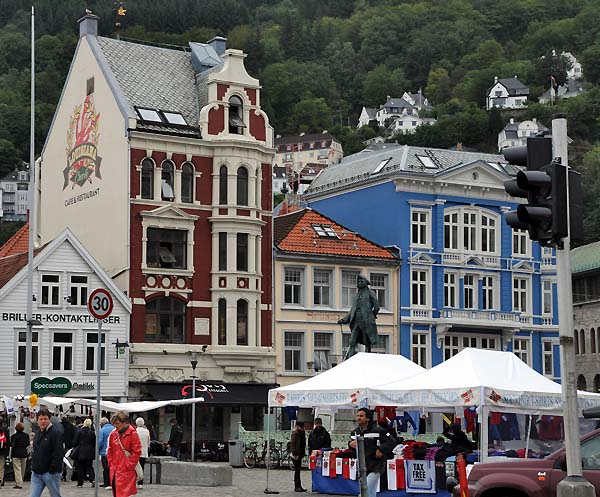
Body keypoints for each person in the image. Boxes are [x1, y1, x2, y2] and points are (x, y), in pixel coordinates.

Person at [349, 408, 397, 497]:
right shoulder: (355, 432)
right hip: (362, 466)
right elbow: (352, 447)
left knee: (367, 487)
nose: (358, 418)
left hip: (376, 465)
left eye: (361, 416)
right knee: (370, 491)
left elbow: (392, 441)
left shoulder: (379, 431)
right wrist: (350, 445)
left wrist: (381, 449)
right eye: (357, 416)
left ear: (368, 418)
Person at [338, 275, 380, 357]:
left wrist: (372, 315)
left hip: (366, 321)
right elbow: (352, 310)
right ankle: (350, 359)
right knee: (352, 341)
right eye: (358, 281)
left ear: (366, 283)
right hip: (356, 321)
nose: (359, 283)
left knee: (367, 341)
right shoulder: (356, 295)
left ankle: (368, 358)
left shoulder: (370, 293)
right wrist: (344, 320)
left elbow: (377, 307)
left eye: (361, 281)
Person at [30, 407, 64, 497]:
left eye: (45, 419)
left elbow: (58, 453)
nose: (43, 421)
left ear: (49, 420)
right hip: (37, 473)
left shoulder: (55, 433)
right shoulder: (37, 433)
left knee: (55, 495)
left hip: (50, 473)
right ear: (37, 421)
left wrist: (52, 470)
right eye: (40, 419)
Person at [106, 411, 141, 497]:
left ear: (124, 423)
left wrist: (128, 465)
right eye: (114, 424)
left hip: (126, 471)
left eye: (117, 423)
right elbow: (110, 450)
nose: (115, 426)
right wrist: (111, 463)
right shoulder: (114, 434)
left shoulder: (132, 434)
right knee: (117, 493)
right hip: (115, 470)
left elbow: (136, 452)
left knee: (125, 494)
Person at [73, 418, 96, 487]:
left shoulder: (79, 431)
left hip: (80, 451)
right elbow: (94, 443)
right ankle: (92, 479)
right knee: (89, 466)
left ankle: (80, 483)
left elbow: (75, 442)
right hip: (89, 452)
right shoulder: (92, 432)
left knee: (80, 467)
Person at [11, 422, 29, 489]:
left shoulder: (13, 436)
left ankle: (19, 483)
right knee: (22, 469)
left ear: (16, 429)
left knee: (17, 469)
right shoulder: (26, 436)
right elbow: (27, 444)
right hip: (24, 454)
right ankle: (21, 481)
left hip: (15, 454)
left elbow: (12, 445)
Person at [98, 417, 114, 489]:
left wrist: (98, 450)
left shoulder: (102, 430)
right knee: (113, 468)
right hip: (114, 452)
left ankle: (107, 483)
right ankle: (113, 482)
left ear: (101, 424)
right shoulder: (114, 429)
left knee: (106, 468)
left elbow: (100, 442)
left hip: (104, 452)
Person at [290, 421, 306, 492]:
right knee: (297, 470)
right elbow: (293, 444)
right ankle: (297, 486)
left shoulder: (302, 433)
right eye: (301, 427)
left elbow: (302, 444)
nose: (303, 428)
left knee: (298, 470)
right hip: (295, 454)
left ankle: (299, 486)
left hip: (300, 454)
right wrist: (295, 454)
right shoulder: (295, 433)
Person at [135, 418, 150, 488]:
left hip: (136, 452)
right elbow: (148, 441)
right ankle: (140, 483)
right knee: (142, 466)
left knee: (135, 467)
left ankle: (134, 481)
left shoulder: (135, 431)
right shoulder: (146, 431)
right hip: (144, 452)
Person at [60, 416, 75, 482]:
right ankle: (68, 477)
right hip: (70, 447)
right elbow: (74, 436)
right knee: (69, 462)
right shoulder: (71, 426)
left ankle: (60, 476)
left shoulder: (59, 426)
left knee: (60, 462)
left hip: (60, 446)